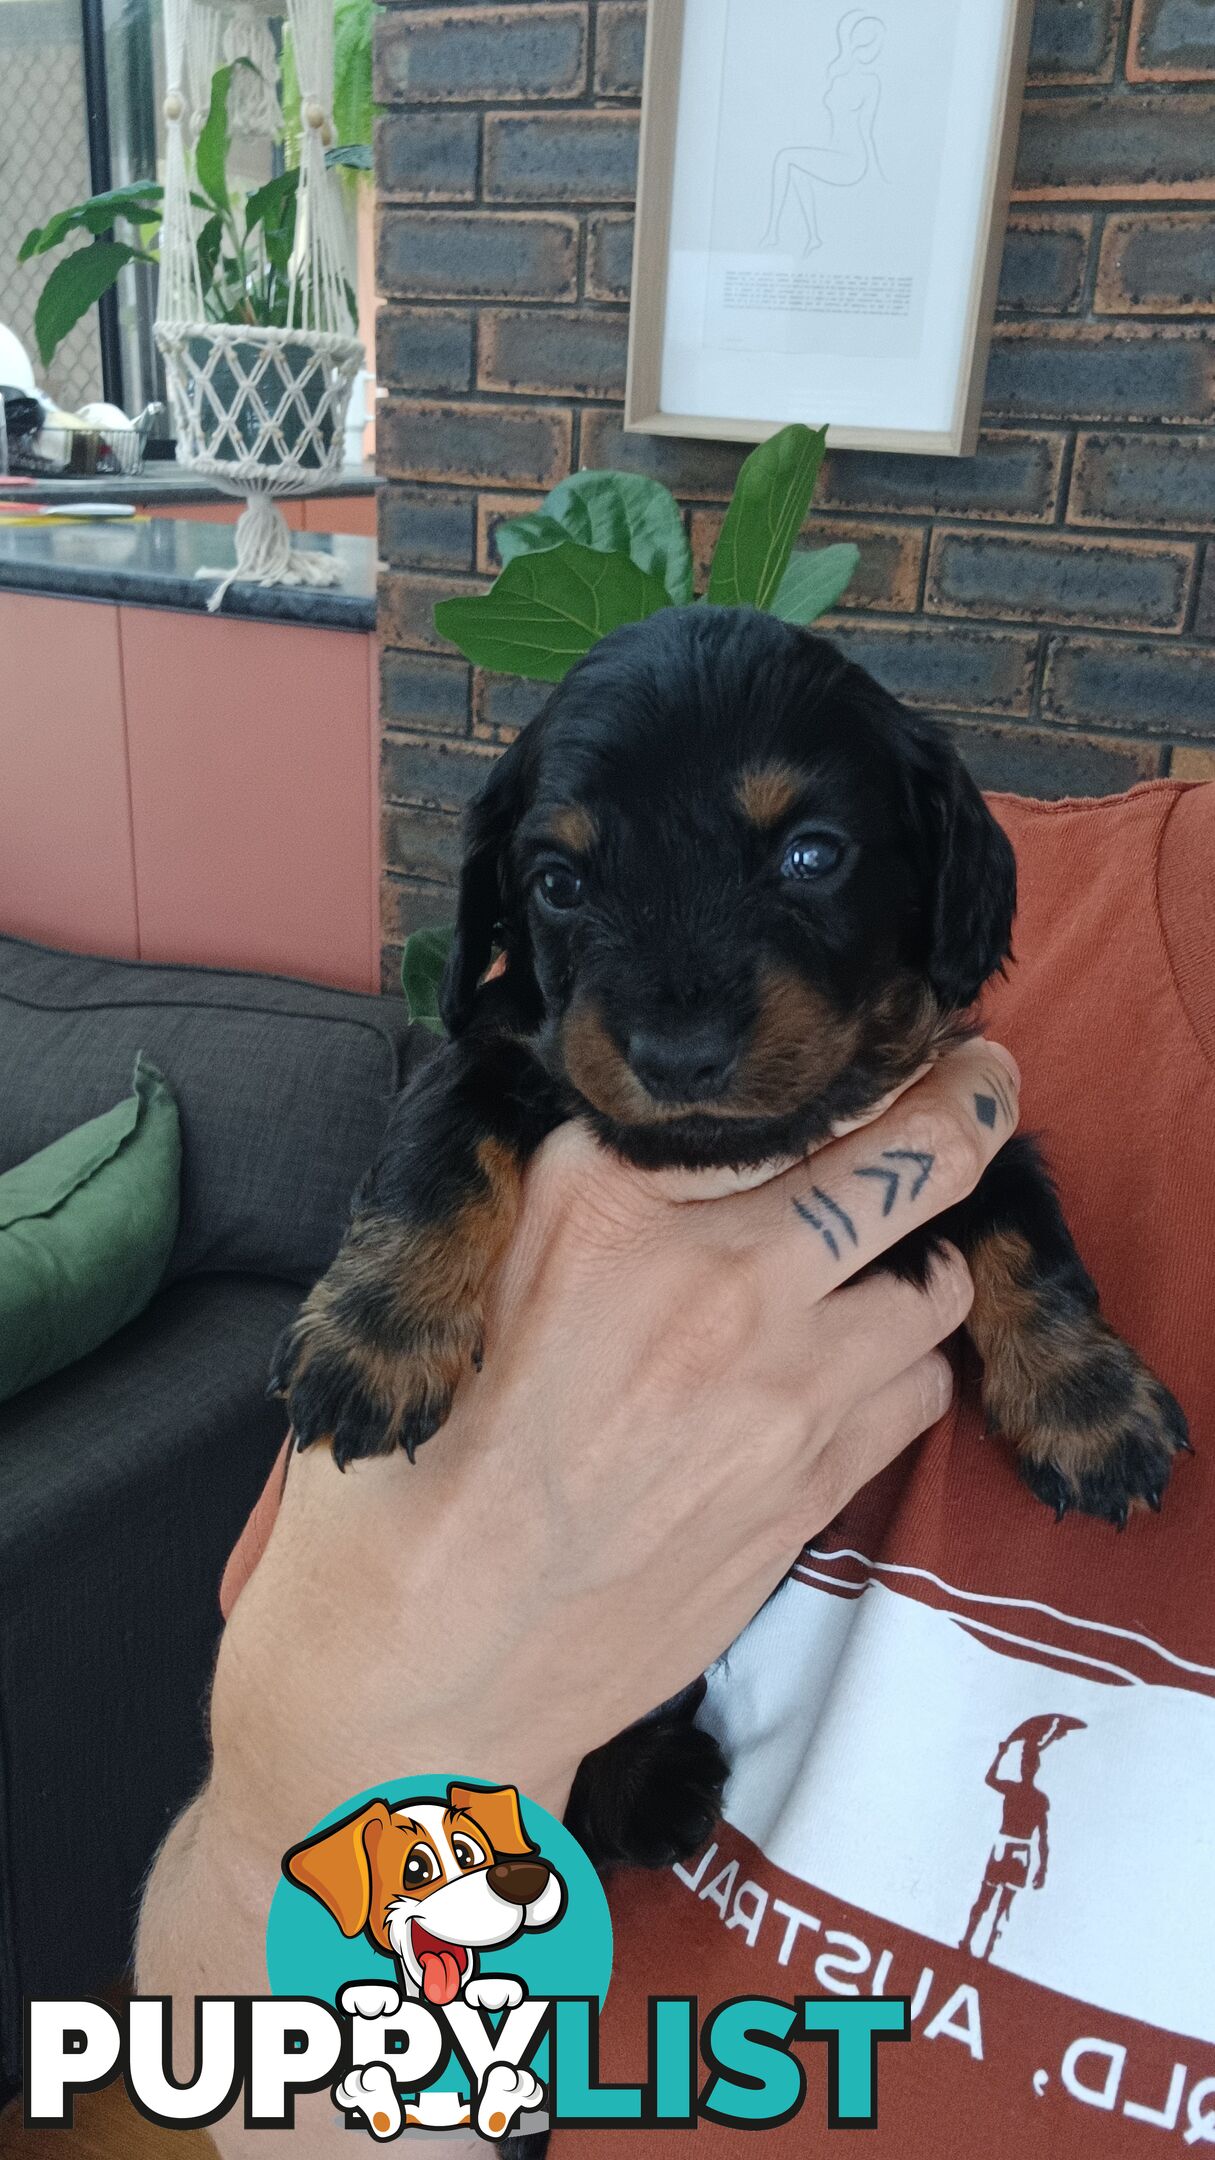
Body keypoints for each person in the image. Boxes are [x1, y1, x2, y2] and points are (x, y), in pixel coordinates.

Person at [138, 778, 1215, 2156]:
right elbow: (275, 2096)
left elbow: (999, 1209)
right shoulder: (573, 1210)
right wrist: (358, 1726)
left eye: (806, 859)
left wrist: (1048, 1350)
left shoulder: (919, 942)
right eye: (569, 887)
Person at [760, 12, 887, 258]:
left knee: (786, 158)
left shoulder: (871, 83)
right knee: (796, 169)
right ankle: (814, 237)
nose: (868, 50)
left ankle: (772, 232)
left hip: (851, 161)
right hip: (833, 153)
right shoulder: (837, 77)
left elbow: (868, 130)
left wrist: (879, 172)